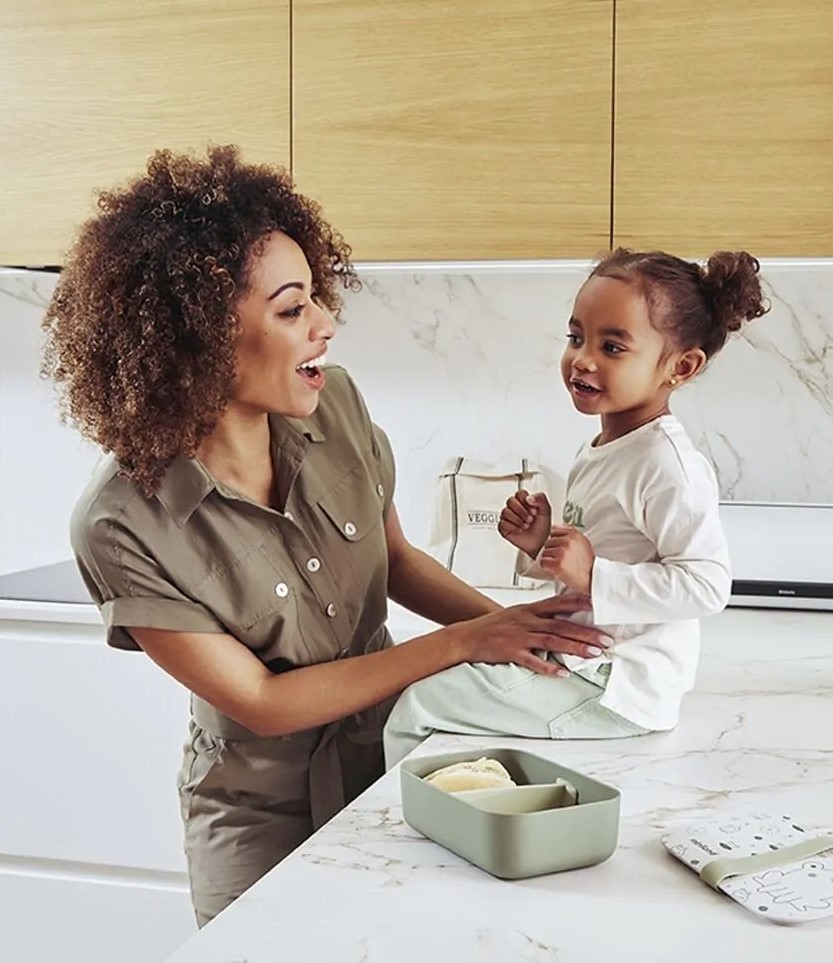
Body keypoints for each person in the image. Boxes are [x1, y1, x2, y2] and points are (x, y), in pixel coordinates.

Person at [40, 145, 610, 926]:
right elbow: (263, 702)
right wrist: (470, 639)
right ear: (199, 340)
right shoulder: (122, 522)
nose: (325, 325)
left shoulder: (331, 403)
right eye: (291, 308)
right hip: (254, 815)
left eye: (315, 297)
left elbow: (399, 561)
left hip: (391, 763)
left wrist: (525, 636)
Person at [383, 248, 770, 766]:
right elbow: (602, 556)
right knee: (422, 679)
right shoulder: (606, 447)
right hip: (583, 660)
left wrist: (592, 575)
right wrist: (541, 544)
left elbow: (707, 584)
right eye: (576, 338)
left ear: (681, 367)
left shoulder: (666, 463)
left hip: (618, 686)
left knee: (420, 705)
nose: (583, 359)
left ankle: (390, 836)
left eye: (612, 346)